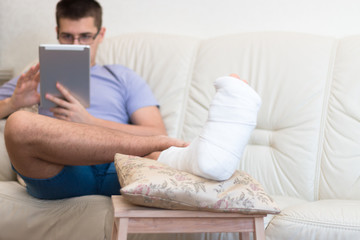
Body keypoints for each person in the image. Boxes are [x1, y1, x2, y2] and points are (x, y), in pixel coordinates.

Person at [0, 0, 174, 199]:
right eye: (67, 36)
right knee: (18, 124)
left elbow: (157, 133)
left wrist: (90, 123)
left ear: (101, 34)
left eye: (85, 37)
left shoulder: (122, 76)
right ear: (57, 33)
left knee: (160, 154)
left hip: (119, 165)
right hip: (61, 168)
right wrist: (13, 103)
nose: (76, 45)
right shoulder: (37, 76)